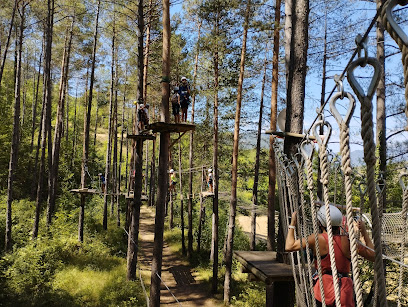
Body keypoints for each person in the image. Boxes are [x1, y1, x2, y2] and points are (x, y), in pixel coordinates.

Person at [285, 205, 375, 307]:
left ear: (320, 223)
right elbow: (373, 256)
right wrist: (364, 232)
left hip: (325, 289)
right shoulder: (349, 241)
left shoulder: (317, 239)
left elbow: (289, 246)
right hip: (344, 291)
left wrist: (292, 223)